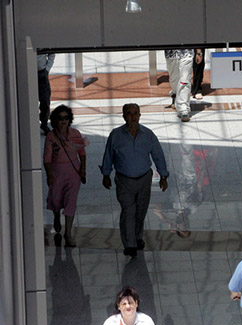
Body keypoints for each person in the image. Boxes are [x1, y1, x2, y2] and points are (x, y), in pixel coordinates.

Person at [100, 103, 169, 257]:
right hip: (124, 180)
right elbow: (108, 155)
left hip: (144, 179)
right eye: (129, 113)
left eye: (135, 113)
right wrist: (106, 174)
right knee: (128, 211)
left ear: (139, 115)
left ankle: (137, 236)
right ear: (124, 116)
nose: (132, 117)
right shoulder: (116, 135)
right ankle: (129, 244)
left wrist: (163, 176)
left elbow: (158, 155)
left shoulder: (148, 134)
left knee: (141, 210)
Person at [43, 104, 89, 247]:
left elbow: (82, 153)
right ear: (55, 120)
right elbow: (47, 158)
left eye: (66, 118)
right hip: (57, 174)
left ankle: (68, 233)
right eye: (60, 118)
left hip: (73, 172)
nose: (63, 121)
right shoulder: (51, 137)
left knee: (71, 201)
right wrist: (49, 174)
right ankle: (56, 215)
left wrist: (83, 170)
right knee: (56, 200)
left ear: (70, 120)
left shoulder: (75, 134)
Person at [165, 49, 194, 121]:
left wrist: (199, 52)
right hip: (171, 53)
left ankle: (183, 108)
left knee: (185, 79)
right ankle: (175, 94)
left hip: (187, 52)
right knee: (174, 79)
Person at [37, 53, 55, 135]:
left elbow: (51, 54)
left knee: (45, 101)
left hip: (42, 73)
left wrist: (47, 69)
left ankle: (44, 124)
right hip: (28, 72)